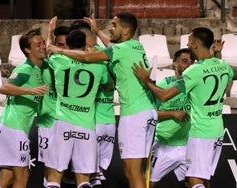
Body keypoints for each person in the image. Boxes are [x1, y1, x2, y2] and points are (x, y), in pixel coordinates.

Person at [47, 12, 157, 188]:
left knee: (132, 172)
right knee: (137, 171)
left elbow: (87, 57)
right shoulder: (136, 46)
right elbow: (111, 48)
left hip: (134, 113)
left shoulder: (117, 50)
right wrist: (97, 31)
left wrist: (58, 49)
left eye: (114, 25)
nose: (110, 28)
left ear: (126, 30)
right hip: (148, 111)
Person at [132, 27, 237, 188]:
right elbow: (236, 74)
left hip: (201, 132)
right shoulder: (221, 64)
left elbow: (164, 95)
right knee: (201, 178)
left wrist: (146, 80)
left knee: (195, 181)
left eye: (189, 40)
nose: (188, 43)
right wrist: (217, 56)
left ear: (196, 43)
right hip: (217, 131)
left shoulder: (194, 71)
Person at [45, 29, 110, 188]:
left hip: (63, 123)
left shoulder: (59, 59)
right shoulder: (99, 66)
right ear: (85, 44)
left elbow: (48, 49)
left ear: (67, 44)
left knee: (54, 177)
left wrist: (50, 32)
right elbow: (108, 84)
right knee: (84, 180)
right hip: (86, 126)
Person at [0, 27, 48, 188]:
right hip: (13, 128)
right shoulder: (25, 69)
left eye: (43, 42)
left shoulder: (41, 66)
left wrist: (50, 32)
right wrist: (29, 90)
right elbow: (4, 88)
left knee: (6, 177)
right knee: (22, 176)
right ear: (27, 50)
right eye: (38, 44)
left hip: (11, 127)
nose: (43, 46)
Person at [149, 48, 194, 188]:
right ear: (175, 63)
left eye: (192, 62)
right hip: (164, 145)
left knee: (199, 182)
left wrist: (217, 54)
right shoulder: (163, 86)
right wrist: (172, 113)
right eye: (185, 61)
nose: (189, 65)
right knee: (148, 183)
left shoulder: (194, 85)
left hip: (187, 146)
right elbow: (151, 114)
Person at [36, 16, 71, 187]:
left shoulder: (76, 67)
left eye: (65, 45)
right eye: (59, 45)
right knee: (50, 170)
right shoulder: (45, 64)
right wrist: (49, 32)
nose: (61, 48)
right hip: (47, 124)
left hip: (68, 124)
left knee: (70, 173)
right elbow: (46, 51)